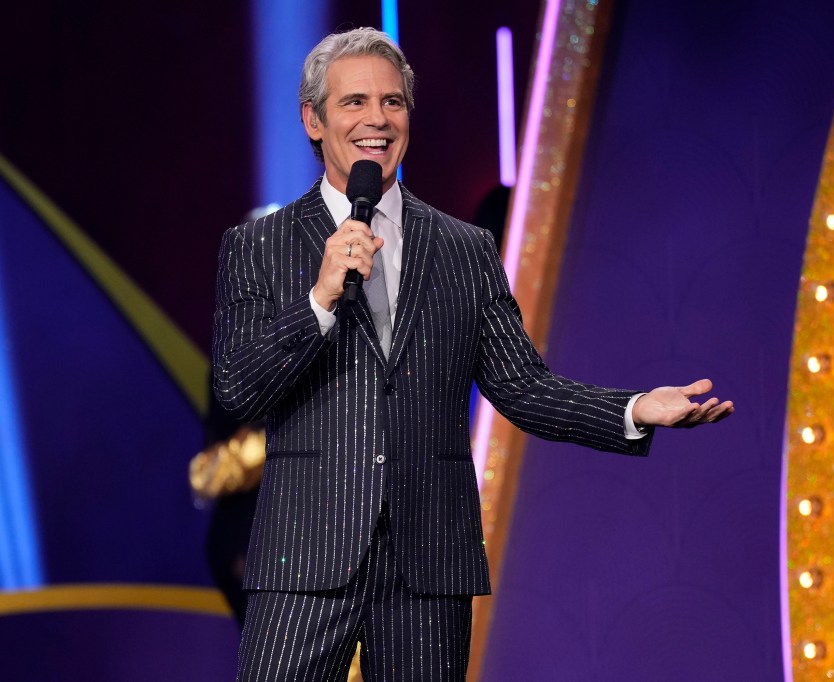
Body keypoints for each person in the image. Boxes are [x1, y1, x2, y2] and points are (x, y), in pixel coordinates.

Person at [213, 27, 734, 682]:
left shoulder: (465, 250)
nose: (377, 119)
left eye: (393, 102)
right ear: (313, 119)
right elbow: (239, 387)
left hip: (427, 567)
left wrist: (634, 409)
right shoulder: (258, 247)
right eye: (354, 103)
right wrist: (318, 299)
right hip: (305, 561)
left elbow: (521, 386)